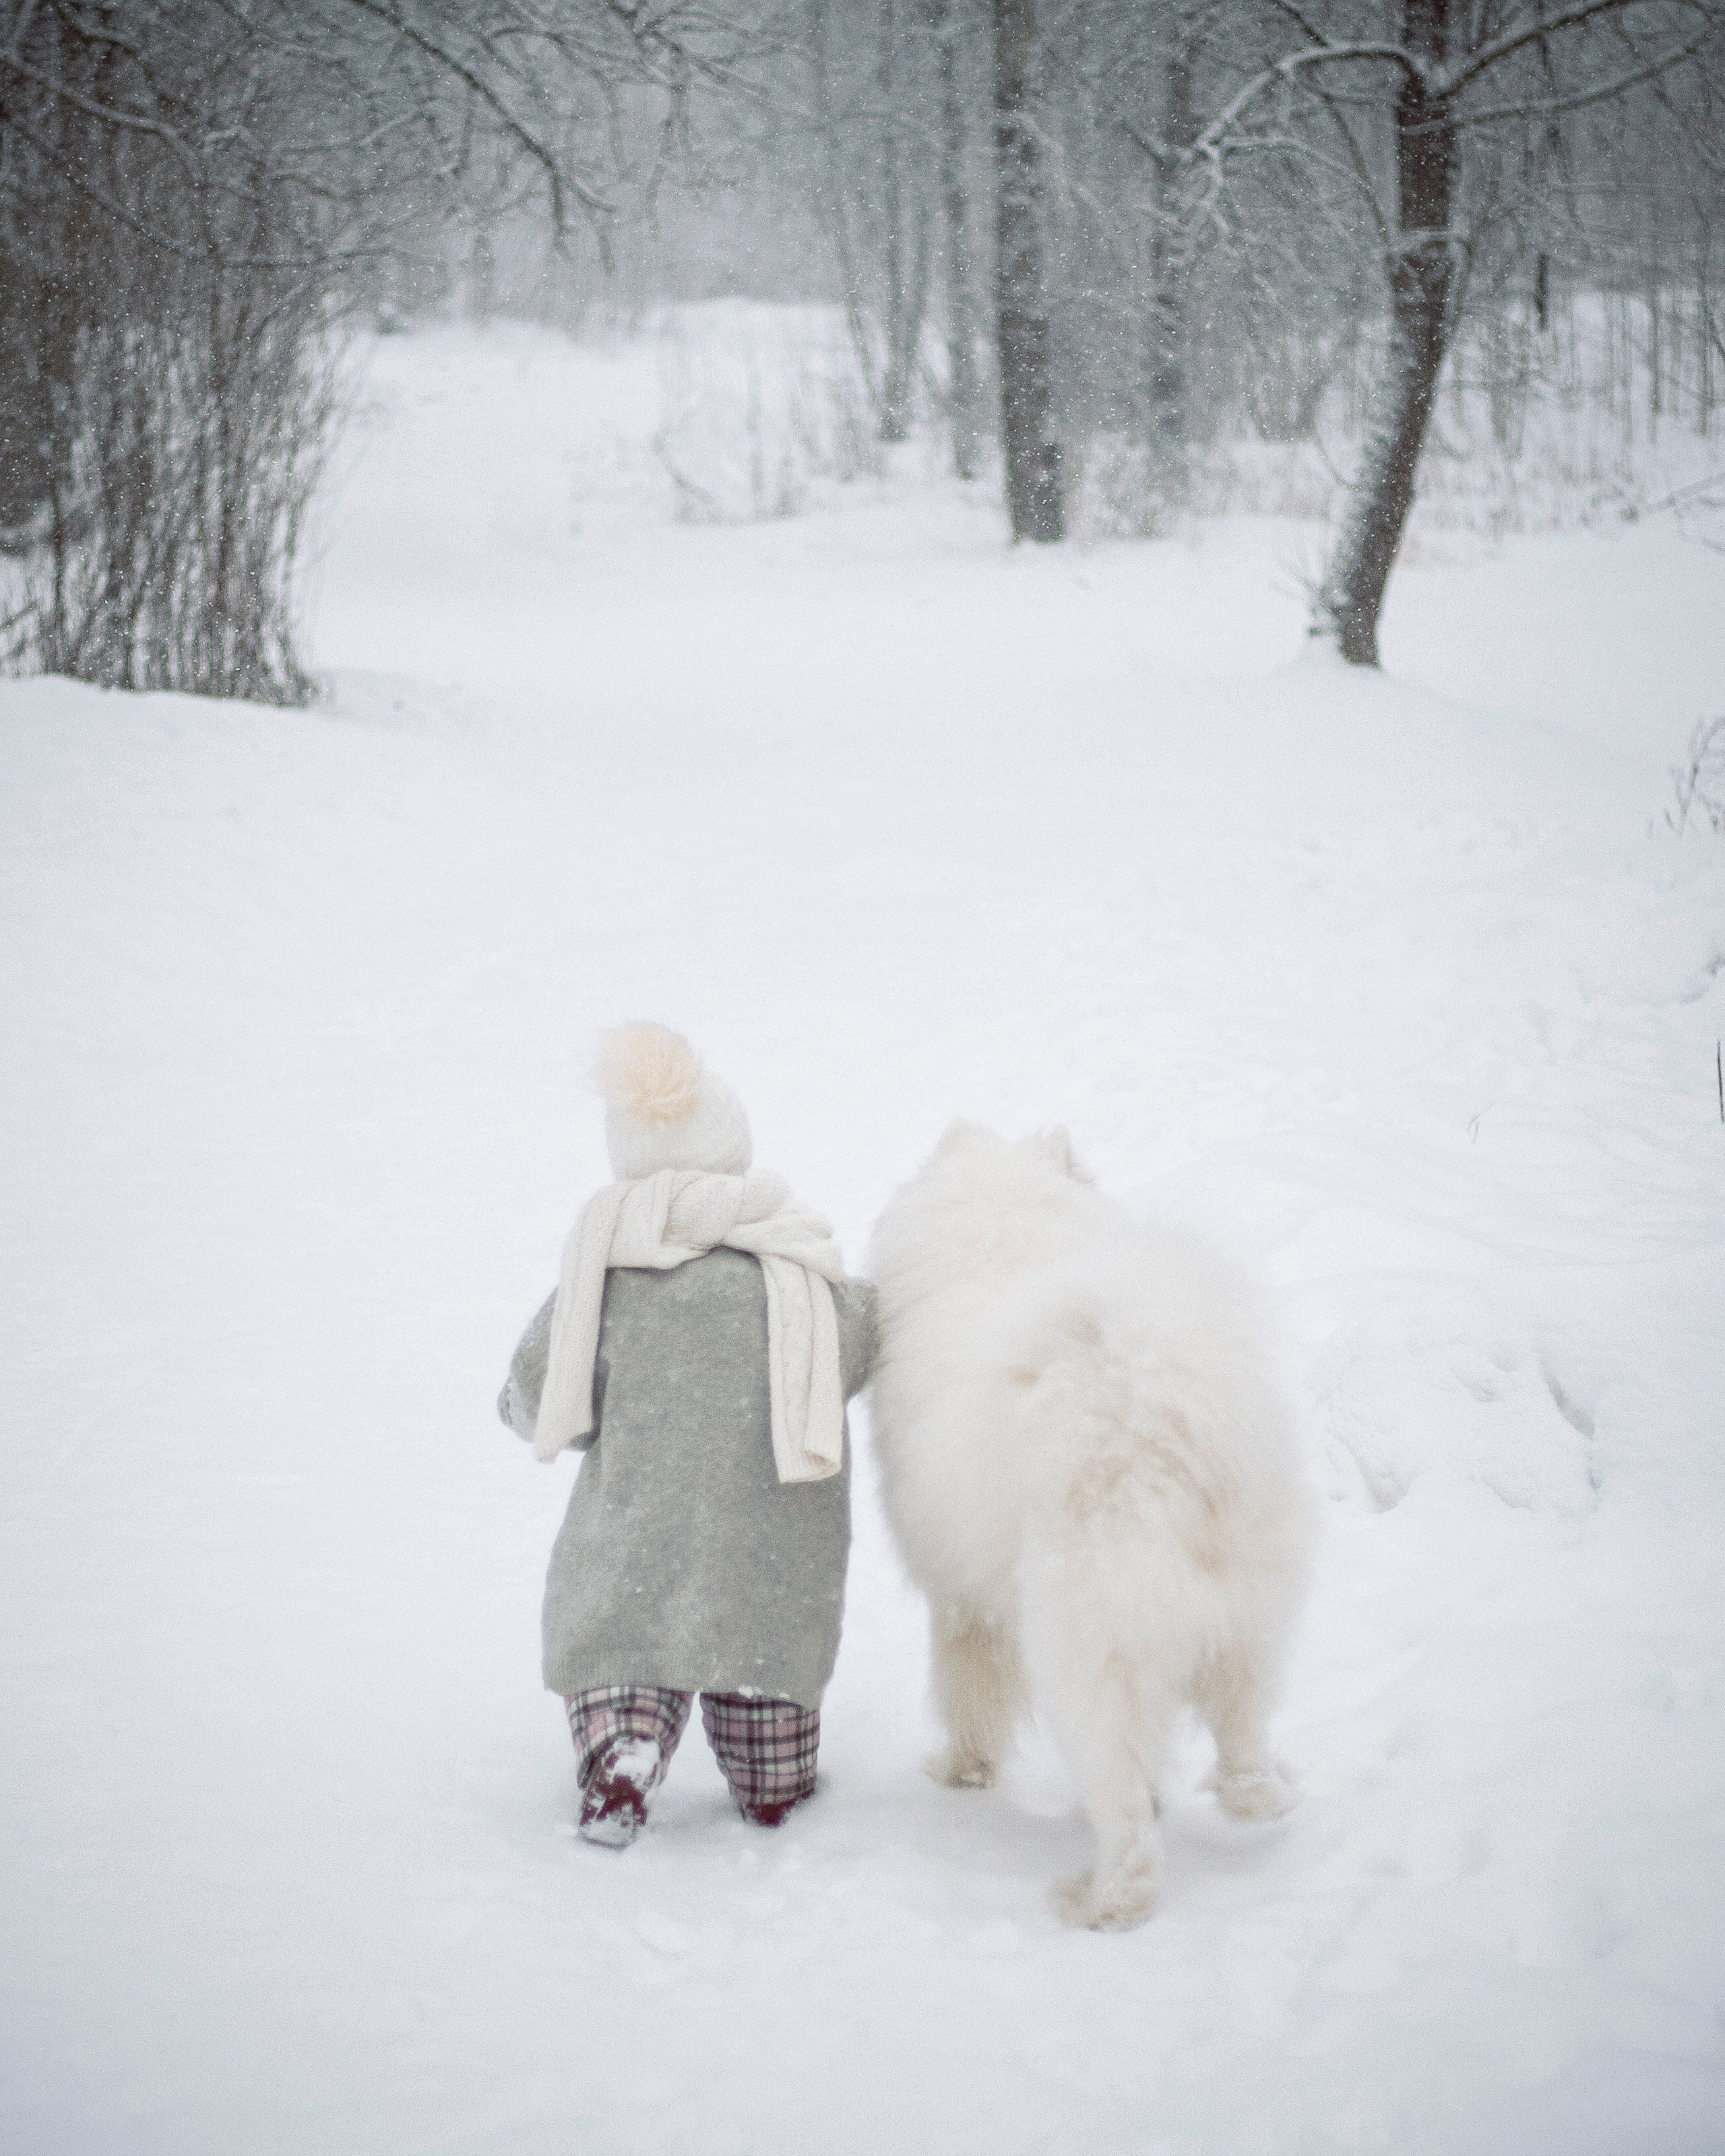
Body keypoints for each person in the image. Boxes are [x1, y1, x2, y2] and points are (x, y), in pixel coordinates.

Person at [498, 1022, 876, 1847]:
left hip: (634, 1556)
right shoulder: (806, 1277)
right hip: (770, 1575)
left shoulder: (603, 1282)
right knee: (767, 1696)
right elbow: (875, 1340)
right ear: (734, 1153)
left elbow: (536, 1393)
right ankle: (772, 1784)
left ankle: (624, 1754)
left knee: (622, 1664)